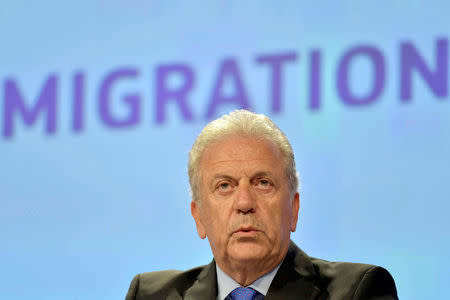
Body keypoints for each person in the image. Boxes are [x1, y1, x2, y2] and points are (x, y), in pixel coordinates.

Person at [125, 110, 398, 300]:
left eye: (263, 183)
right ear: (199, 217)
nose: (244, 203)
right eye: (224, 186)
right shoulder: (150, 294)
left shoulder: (359, 290)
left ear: (294, 209)